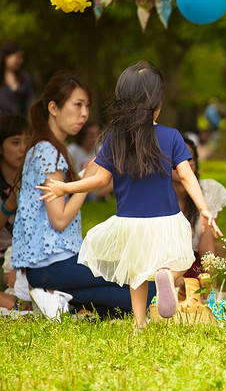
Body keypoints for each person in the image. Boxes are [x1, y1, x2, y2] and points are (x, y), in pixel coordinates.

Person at [37, 61, 222, 331]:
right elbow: (185, 175)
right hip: (166, 218)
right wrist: (203, 207)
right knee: (179, 261)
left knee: (136, 273)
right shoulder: (171, 136)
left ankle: (139, 323)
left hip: (129, 222)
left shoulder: (116, 138)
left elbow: (100, 179)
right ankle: (168, 278)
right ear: (157, 102)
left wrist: (66, 188)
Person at [12, 72, 153, 319]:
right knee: (146, 287)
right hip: (52, 264)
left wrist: (83, 176)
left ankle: (61, 299)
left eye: (87, 106)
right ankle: (55, 295)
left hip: (51, 267)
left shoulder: (49, 148)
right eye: (77, 105)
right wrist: (87, 179)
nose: (84, 113)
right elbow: (59, 218)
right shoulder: (48, 151)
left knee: (132, 301)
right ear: (53, 108)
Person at [174, 134, 226, 279]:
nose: (184, 164)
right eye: (176, 159)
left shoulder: (207, 192)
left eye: (189, 159)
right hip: (162, 266)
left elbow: (206, 247)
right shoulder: (157, 196)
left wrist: (210, 286)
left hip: (193, 266)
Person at [0, 115, 28, 308]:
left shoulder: (33, 176)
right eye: (15, 142)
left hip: (28, 257)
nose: (23, 149)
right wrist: (9, 204)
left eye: (27, 142)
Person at [0, 41, 36, 117]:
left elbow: (30, 101)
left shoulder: (25, 77)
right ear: (6, 57)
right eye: (18, 57)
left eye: (21, 57)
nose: (20, 61)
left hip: (20, 124)